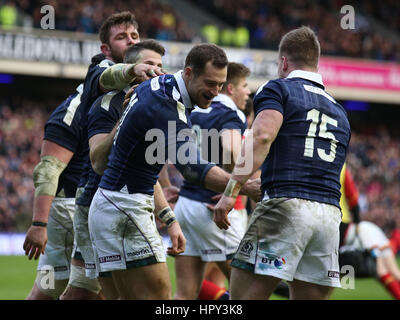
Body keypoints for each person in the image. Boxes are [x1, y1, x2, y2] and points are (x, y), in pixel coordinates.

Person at [88, 43, 261, 299]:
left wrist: (169, 219)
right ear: (189, 73)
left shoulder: (158, 85)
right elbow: (192, 168)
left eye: (220, 85)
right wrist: (244, 187)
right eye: (210, 83)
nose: (215, 92)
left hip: (111, 205)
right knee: (161, 300)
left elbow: (140, 167)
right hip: (125, 209)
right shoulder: (169, 108)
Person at [22, 11, 163, 300]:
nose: (130, 41)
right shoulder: (85, 94)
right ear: (106, 49)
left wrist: (166, 213)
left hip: (99, 201)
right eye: (121, 37)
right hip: (71, 205)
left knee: (82, 290)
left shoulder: (133, 97)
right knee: (72, 289)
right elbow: (48, 169)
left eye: (134, 36)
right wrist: (39, 223)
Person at [214, 26, 351, 300]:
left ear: (284, 62)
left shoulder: (278, 88)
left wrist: (231, 192)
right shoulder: (340, 111)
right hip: (328, 218)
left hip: (286, 207)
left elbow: (262, 136)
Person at [72, 39, 167, 299]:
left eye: (160, 65)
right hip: (99, 203)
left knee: (95, 293)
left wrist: (168, 217)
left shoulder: (152, 108)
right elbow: (98, 162)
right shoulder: (107, 105)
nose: (156, 71)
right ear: (131, 67)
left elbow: (146, 169)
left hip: (123, 205)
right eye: (149, 64)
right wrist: (122, 122)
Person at [173, 62, 251, 300]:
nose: (248, 92)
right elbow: (230, 150)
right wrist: (232, 188)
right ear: (230, 88)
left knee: (185, 293)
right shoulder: (230, 114)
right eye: (244, 85)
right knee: (247, 292)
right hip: (212, 210)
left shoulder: (194, 111)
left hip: (185, 205)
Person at [339, 165, 400, 300]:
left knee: (381, 271)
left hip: (365, 235)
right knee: (396, 272)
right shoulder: (344, 169)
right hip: (373, 232)